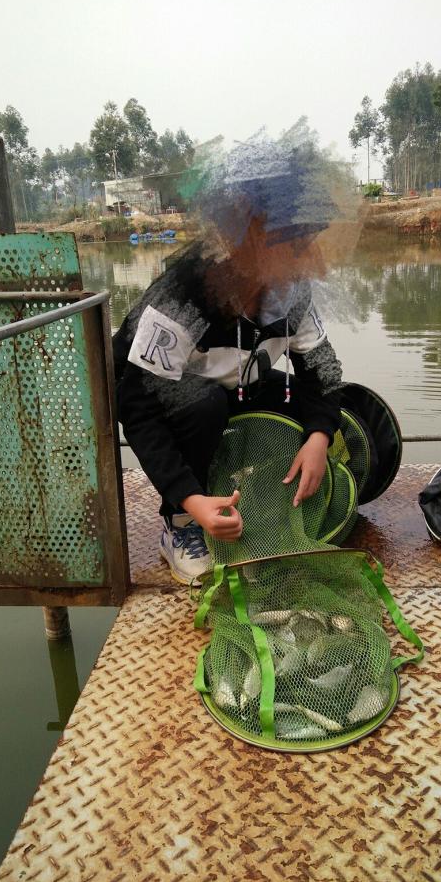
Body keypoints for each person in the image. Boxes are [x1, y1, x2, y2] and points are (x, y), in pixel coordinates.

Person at [112, 133, 346, 584]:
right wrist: (190, 501)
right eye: (300, 247)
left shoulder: (291, 293)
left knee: (315, 401)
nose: (316, 264)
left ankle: (260, 483)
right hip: (170, 400)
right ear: (253, 240)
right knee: (203, 406)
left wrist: (319, 436)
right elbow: (138, 410)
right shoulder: (184, 298)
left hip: (238, 381)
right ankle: (180, 525)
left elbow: (323, 373)